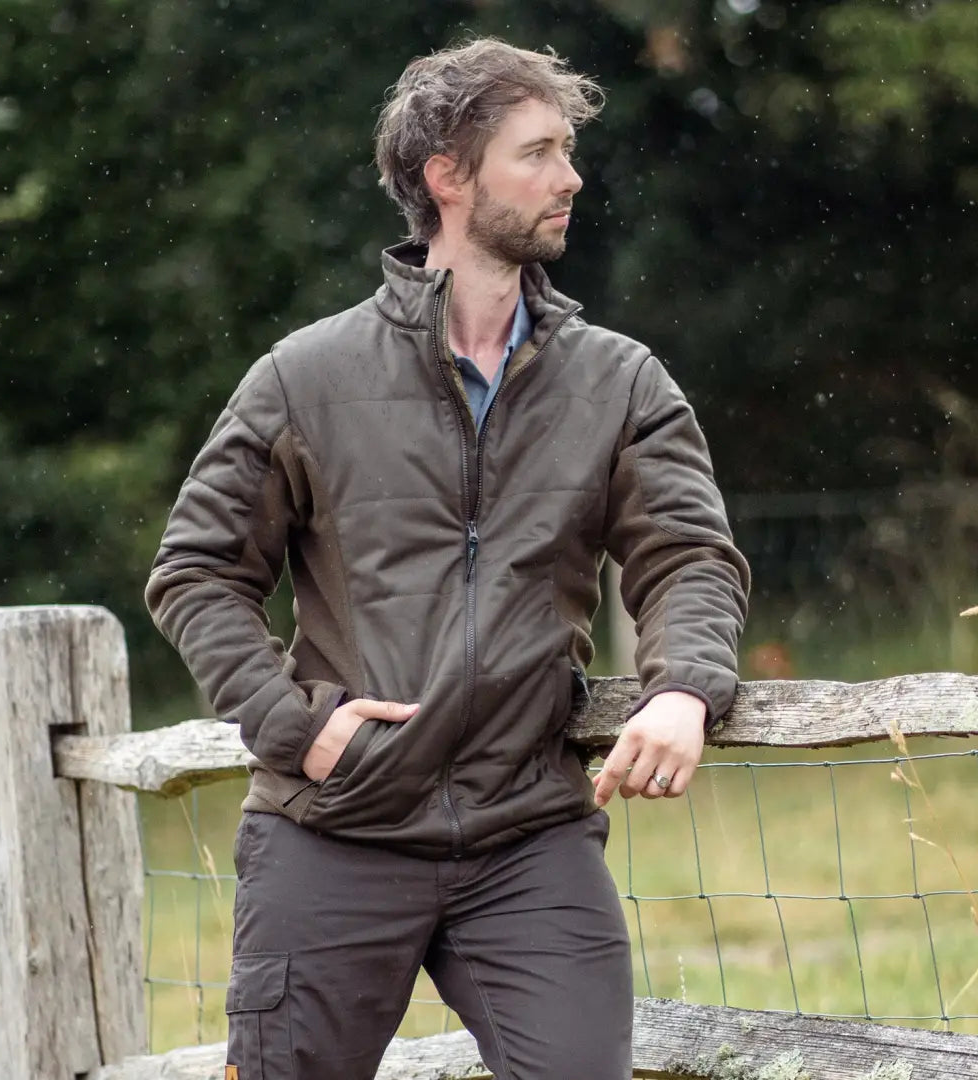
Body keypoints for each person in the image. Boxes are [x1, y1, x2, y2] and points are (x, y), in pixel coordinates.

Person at [146, 37, 749, 1080]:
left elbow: (689, 555)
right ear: (448, 178)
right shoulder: (306, 376)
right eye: (539, 153)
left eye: (568, 150)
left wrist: (685, 687)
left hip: (528, 839)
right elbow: (197, 572)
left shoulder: (620, 382)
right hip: (333, 832)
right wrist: (295, 727)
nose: (570, 177)